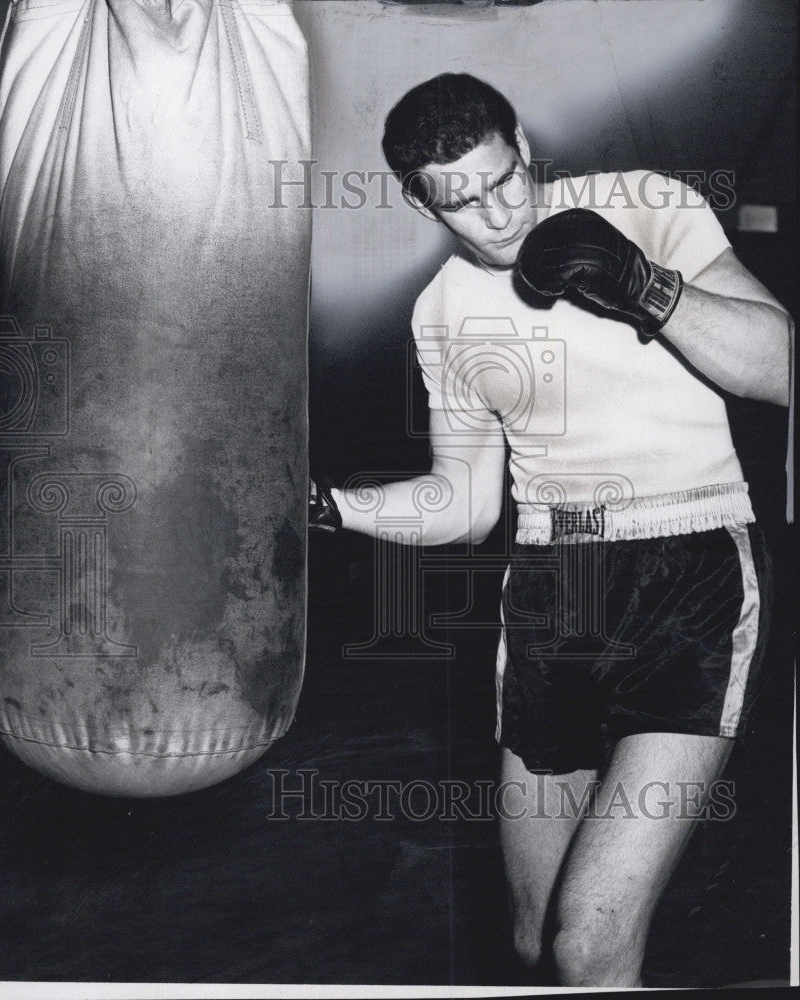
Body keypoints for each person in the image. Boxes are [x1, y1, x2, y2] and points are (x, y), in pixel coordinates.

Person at [309, 73, 791, 987]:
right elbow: (462, 503)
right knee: (534, 945)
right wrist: (331, 508)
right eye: (459, 202)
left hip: (690, 575)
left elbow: (781, 369)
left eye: (502, 181)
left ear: (521, 143)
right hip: (549, 592)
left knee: (589, 943)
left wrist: (646, 289)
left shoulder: (646, 205)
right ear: (421, 199)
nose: (494, 216)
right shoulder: (441, 312)